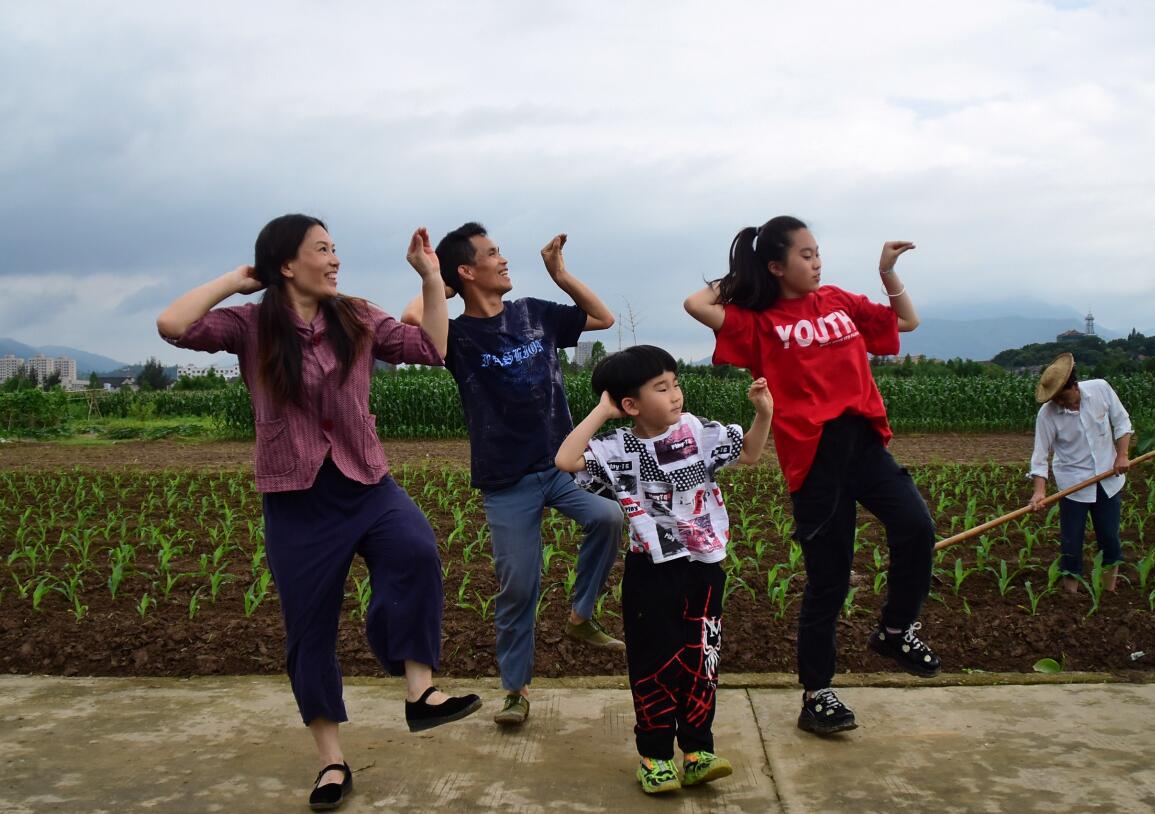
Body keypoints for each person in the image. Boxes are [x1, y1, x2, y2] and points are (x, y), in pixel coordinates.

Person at [156, 214, 481, 811]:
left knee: (414, 549)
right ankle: (331, 762)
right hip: (296, 497)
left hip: (366, 479)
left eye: (335, 249)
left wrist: (431, 278)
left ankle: (419, 692)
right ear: (286, 264)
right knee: (309, 630)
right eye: (323, 249)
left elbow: (431, 348)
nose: (335, 260)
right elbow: (173, 325)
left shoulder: (355, 315)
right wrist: (236, 279)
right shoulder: (251, 325)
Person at [683, 215, 940, 737]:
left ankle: (896, 630)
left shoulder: (839, 301)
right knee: (830, 580)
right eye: (805, 255)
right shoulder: (759, 322)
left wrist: (887, 272)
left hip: (863, 443)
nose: (817, 262)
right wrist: (747, 273)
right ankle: (817, 693)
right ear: (777, 266)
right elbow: (696, 303)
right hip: (813, 458)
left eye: (818, 252)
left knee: (917, 527)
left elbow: (907, 322)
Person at [402, 223, 624, 728]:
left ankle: (581, 616)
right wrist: (438, 282)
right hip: (505, 479)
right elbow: (411, 318)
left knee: (609, 517)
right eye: (492, 253)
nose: (504, 260)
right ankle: (515, 691)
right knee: (519, 586)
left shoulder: (533, 312)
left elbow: (603, 317)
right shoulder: (457, 336)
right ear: (466, 270)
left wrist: (560, 275)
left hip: (561, 464)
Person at [555, 345, 772, 794]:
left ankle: (697, 751)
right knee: (653, 662)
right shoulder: (617, 447)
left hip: (705, 566)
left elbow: (750, 454)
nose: (675, 394)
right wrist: (602, 411)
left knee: (701, 658)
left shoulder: (696, 431)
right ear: (630, 404)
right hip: (650, 571)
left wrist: (763, 413)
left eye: (675, 384)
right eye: (661, 387)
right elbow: (566, 460)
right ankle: (654, 757)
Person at [1028, 352, 1132, 593]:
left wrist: (1122, 455)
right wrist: (1039, 491)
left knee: (1109, 537)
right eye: (1054, 399)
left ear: (1074, 386)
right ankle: (1071, 597)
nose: (1059, 403)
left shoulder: (1101, 389)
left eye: (1062, 397)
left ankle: (1109, 591)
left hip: (1108, 479)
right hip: (1073, 485)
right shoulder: (1047, 414)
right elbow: (1040, 456)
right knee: (1071, 542)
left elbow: (1122, 422)